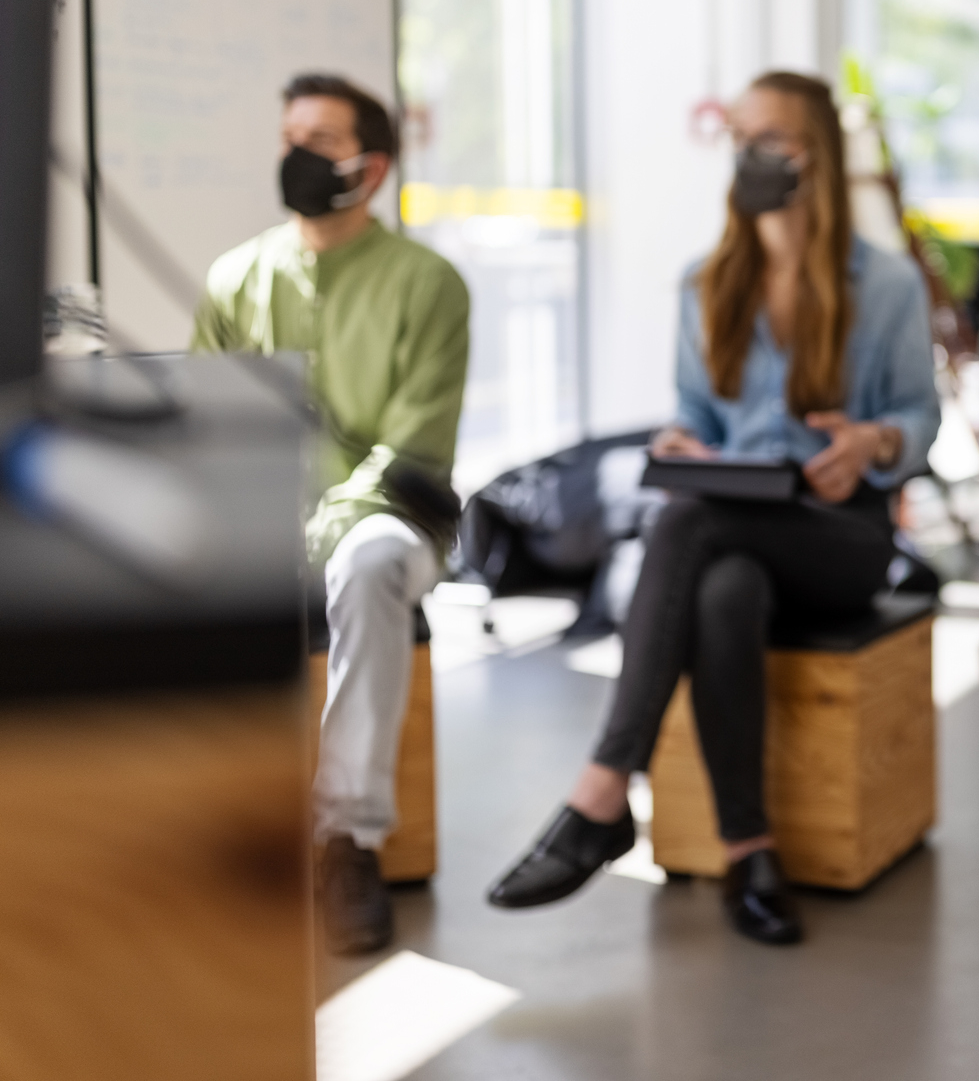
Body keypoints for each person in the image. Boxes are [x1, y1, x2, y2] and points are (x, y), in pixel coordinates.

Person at [486, 71, 939, 945]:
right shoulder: (706, 282)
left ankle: (604, 790)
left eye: (768, 138)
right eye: (738, 137)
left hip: (841, 537)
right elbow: (695, 415)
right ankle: (749, 854)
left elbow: (921, 417)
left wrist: (873, 443)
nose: (747, 155)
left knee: (687, 526)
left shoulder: (882, 284)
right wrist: (683, 445)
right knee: (722, 583)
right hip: (739, 523)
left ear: (814, 156)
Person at [193, 73, 470, 956]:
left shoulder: (430, 284)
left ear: (371, 168)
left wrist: (318, 525)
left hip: (392, 517)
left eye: (320, 140)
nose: (297, 156)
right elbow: (207, 422)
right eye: (290, 138)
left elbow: (414, 447)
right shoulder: (234, 279)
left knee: (369, 562)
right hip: (266, 514)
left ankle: (348, 838)